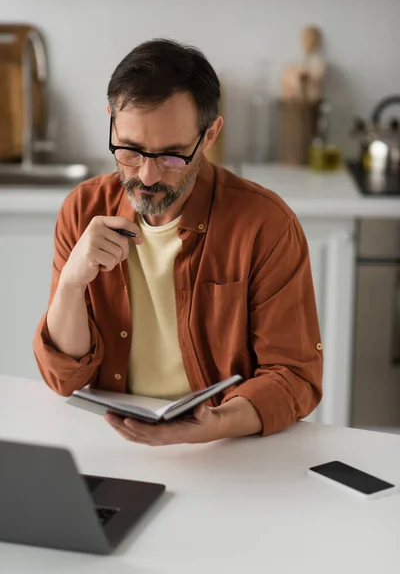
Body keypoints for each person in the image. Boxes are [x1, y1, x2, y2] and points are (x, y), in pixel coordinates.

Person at [33, 39, 323, 446]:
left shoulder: (265, 225)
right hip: (109, 445)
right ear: (111, 121)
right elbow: (65, 377)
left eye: (171, 156)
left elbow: (295, 376)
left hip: (224, 451)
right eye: (130, 150)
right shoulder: (82, 210)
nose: (147, 176)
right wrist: (71, 283)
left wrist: (217, 425)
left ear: (209, 135)